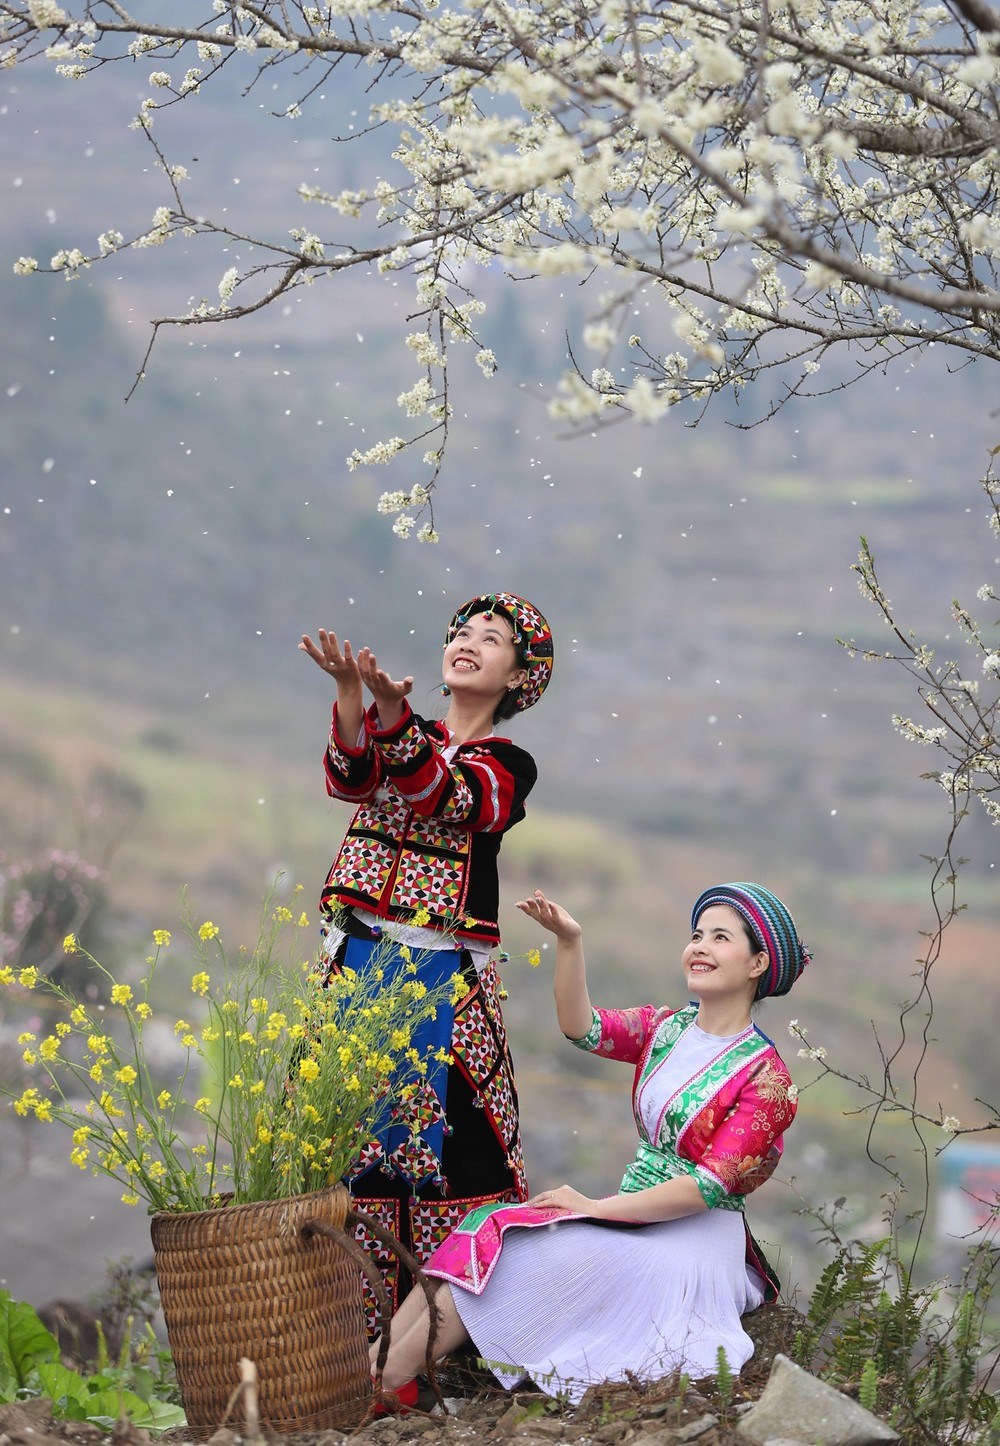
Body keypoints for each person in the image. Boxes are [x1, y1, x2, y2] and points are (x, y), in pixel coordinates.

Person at [370, 881, 810, 1405]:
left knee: (516, 1254)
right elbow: (582, 1027)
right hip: (633, 1213)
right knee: (491, 1226)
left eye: (720, 937)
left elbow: (706, 1188)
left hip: (690, 1238)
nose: (700, 947)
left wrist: (596, 1207)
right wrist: (570, 941)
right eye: (696, 934)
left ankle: (381, 1382)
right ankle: (379, 1369)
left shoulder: (767, 1078)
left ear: (758, 964)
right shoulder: (667, 1029)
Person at [298, 593, 554, 1320]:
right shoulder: (401, 730)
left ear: (517, 678)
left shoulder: (509, 764)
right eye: (463, 632)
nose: (469, 642)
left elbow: (445, 795)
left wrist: (389, 717)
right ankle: (339, 1337)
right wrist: (353, 699)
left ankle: (440, 1339)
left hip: (442, 977)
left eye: (494, 639)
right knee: (341, 1140)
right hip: (357, 959)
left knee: (456, 1151)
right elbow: (350, 779)